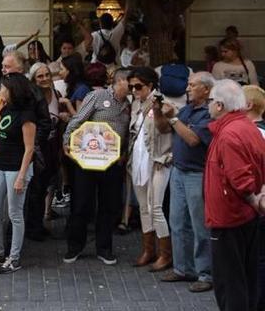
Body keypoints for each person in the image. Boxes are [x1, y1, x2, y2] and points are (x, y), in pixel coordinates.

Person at [204, 79, 265, 311]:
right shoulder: (248, 127)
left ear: (219, 105)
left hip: (229, 217)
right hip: (244, 217)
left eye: (210, 101)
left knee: (230, 282)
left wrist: (254, 200)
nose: (208, 106)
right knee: (245, 277)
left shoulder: (229, 134)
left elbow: (240, 179)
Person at [62, 68, 132, 265]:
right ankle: (74, 247)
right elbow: (78, 119)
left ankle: (104, 248)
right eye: (130, 83)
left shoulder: (129, 105)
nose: (134, 87)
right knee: (82, 203)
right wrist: (67, 140)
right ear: (120, 81)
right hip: (88, 159)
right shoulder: (98, 96)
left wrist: (124, 153)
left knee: (109, 206)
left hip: (112, 163)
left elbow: (128, 133)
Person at [156, 72, 215, 292]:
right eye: (188, 85)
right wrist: (159, 112)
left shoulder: (208, 113)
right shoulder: (188, 109)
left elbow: (192, 139)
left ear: (206, 90)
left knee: (199, 225)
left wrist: (173, 118)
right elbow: (164, 129)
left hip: (196, 174)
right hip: (179, 171)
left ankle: (205, 273)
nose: (188, 88)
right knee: (178, 222)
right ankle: (183, 268)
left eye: (193, 85)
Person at [0, 72, 36, 274]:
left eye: (4, 88)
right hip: (0, 164)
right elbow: (5, 137)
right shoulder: (5, 110)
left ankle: (14, 258)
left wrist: (22, 176)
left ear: (13, 90)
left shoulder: (27, 115)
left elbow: (29, 148)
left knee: (15, 214)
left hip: (16, 169)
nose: (0, 91)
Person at [127, 67, 173, 271]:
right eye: (131, 86)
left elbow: (164, 128)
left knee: (156, 207)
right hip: (137, 159)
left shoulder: (161, 102)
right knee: (144, 207)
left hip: (158, 160)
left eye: (138, 86)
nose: (134, 90)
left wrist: (156, 109)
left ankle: (165, 254)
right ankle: (148, 250)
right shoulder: (135, 103)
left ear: (151, 85)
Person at [25, 62, 69, 241]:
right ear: (34, 79)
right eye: (40, 76)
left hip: (52, 146)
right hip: (36, 148)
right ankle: (31, 227)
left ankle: (38, 224)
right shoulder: (31, 97)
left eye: (47, 75)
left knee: (44, 187)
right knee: (34, 188)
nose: (44, 79)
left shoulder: (57, 95)